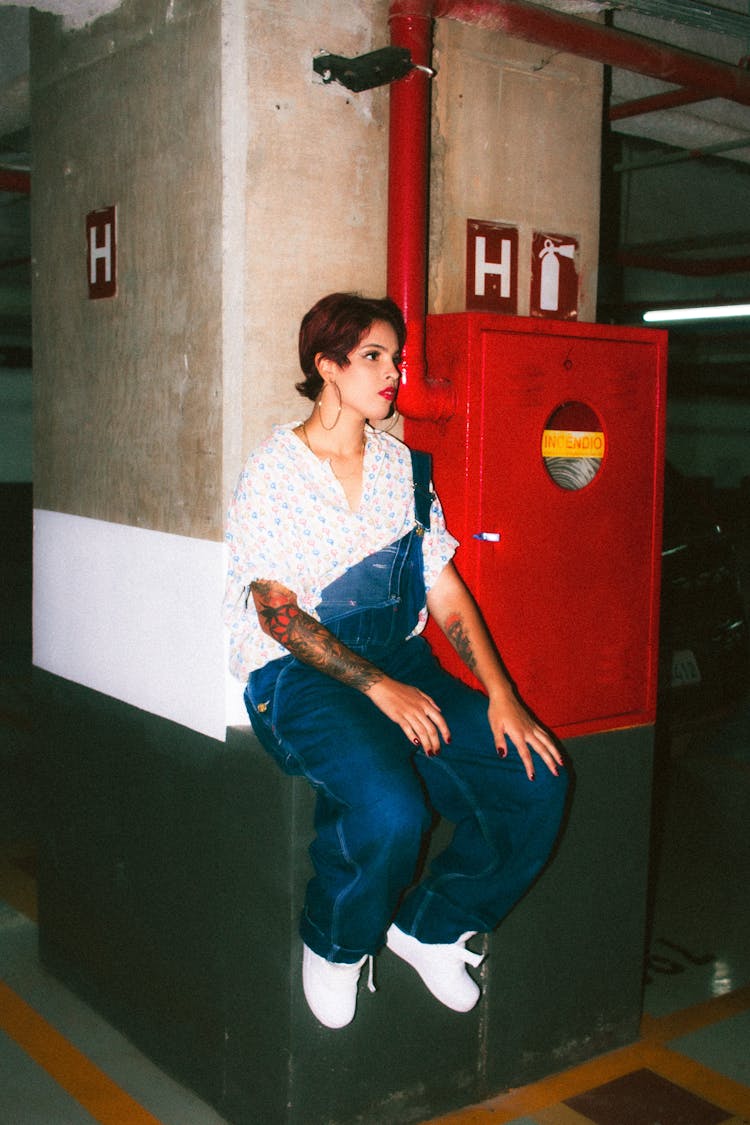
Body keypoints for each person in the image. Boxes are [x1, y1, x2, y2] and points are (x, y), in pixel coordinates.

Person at [224, 292, 568, 1029]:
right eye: (375, 357)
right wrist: (378, 688)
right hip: (299, 678)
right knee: (391, 807)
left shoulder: (405, 471)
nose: (394, 375)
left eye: (396, 359)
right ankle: (337, 942)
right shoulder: (274, 472)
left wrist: (501, 693)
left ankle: (432, 926)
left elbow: (443, 589)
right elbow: (279, 615)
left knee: (538, 776)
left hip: (401, 662)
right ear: (327, 366)